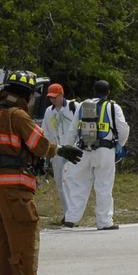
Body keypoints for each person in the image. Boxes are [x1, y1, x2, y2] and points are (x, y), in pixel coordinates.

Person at [0, 69, 82, 275]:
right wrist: (59, 149)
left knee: (3, 237)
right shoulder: (17, 115)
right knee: (23, 231)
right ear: (26, 94)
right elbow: (38, 144)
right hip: (15, 183)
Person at [64, 79, 129, 230]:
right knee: (104, 186)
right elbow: (123, 129)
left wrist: (68, 149)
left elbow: (72, 130)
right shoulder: (113, 107)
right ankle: (104, 222)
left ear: (93, 91)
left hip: (83, 150)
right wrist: (120, 144)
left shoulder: (82, 105)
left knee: (78, 185)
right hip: (105, 152)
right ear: (108, 92)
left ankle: (71, 218)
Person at [39, 82, 79, 223]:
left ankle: (74, 213)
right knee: (60, 183)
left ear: (62, 95)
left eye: (55, 97)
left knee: (72, 182)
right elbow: (45, 131)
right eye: (50, 97)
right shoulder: (49, 112)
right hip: (57, 151)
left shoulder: (74, 107)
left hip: (72, 150)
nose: (53, 100)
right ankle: (67, 213)